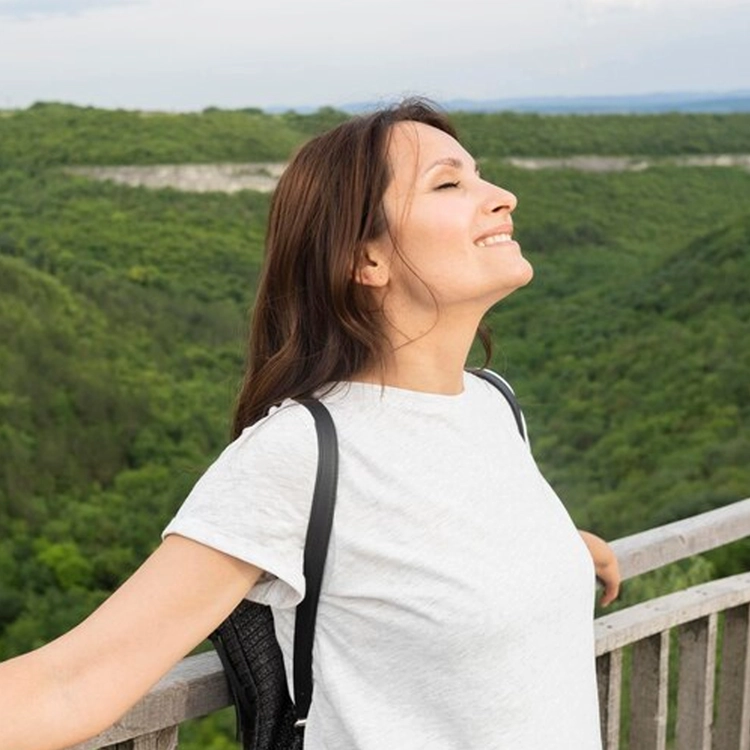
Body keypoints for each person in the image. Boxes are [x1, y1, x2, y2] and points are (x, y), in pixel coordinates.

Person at [0, 99, 620, 750]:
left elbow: (424, 549)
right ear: (366, 260)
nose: (502, 196)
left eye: (479, 174)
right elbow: (69, 683)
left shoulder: (492, 404)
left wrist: (557, 552)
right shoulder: (301, 451)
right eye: (449, 183)